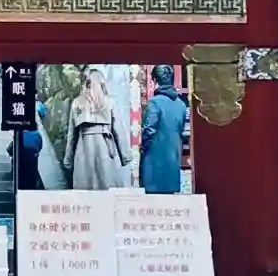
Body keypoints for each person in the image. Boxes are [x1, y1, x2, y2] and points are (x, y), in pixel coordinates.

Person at [68, 65, 129, 190]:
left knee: (85, 192)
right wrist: (125, 156)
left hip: (83, 150)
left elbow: (71, 135)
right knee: (107, 189)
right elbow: (119, 131)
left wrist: (68, 160)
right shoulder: (109, 102)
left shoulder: (77, 104)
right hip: (105, 149)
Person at [140, 64, 189, 195]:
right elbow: (180, 129)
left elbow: (149, 130)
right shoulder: (181, 104)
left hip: (155, 158)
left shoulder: (155, 103)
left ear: (155, 80)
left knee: (153, 199)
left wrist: (143, 148)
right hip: (173, 156)